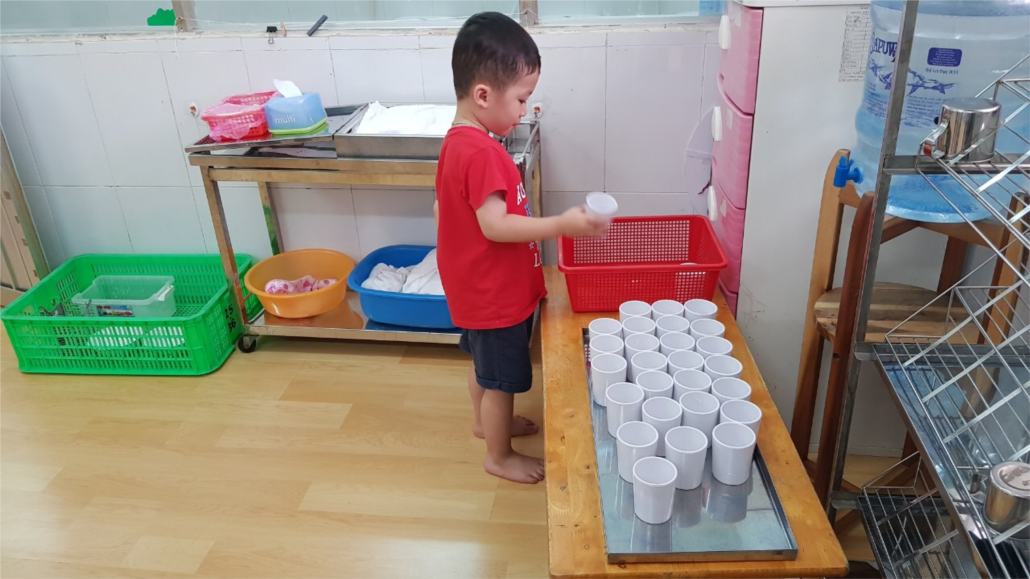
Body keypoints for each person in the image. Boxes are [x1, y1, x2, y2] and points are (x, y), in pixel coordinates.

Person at [434, 12, 609, 484]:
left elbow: (443, 211)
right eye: (521, 99)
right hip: (494, 298)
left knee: (483, 366)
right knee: (501, 382)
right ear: (483, 95)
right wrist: (560, 225)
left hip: (476, 290)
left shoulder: (458, 143)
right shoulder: (482, 152)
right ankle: (499, 454)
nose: (525, 109)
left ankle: (485, 423)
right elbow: (494, 225)